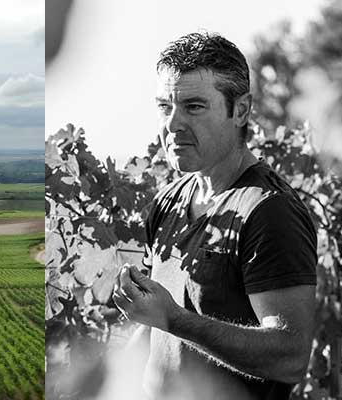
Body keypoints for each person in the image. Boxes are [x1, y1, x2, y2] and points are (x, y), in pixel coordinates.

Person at [111, 32, 318, 400]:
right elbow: (156, 328)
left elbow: (290, 356)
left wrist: (175, 318)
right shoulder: (169, 202)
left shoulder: (269, 210)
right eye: (164, 106)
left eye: (193, 107)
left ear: (240, 110)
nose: (172, 124)